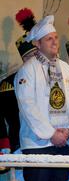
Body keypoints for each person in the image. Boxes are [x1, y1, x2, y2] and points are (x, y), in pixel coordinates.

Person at [14, 15, 69, 181]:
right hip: (38, 143)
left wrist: (68, 130)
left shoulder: (66, 69)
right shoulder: (27, 70)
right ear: (38, 43)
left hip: (63, 143)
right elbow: (28, 107)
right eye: (49, 39)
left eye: (56, 38)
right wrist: (51, 134)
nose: (54, 42)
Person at [0, 8, 38, 153]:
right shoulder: (8, 84)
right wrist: (4, 144)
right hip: (19, 145)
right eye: (31, 56)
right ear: (24, 58)